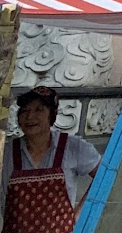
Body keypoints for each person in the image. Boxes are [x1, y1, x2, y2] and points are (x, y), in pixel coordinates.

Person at [2, 87, 100, 233]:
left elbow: (103, 175)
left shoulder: (73, 147)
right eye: (24, 111)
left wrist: (79, 215)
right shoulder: (6, 152)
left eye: (39, 110)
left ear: (52, 115)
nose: (30, 117)